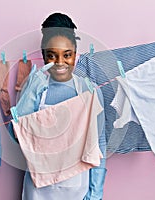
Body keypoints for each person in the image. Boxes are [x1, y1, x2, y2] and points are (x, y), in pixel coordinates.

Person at [10, 12, 107, 200]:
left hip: (78, 190)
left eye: (67, 55)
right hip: (38, 191)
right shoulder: (36, 88)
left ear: (75, 54)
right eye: (52, 55)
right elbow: (17, 137)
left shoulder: (89, 90)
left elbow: (99, 142)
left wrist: (95, 193)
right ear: (43, 55)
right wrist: (29, 93)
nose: (60, 62)